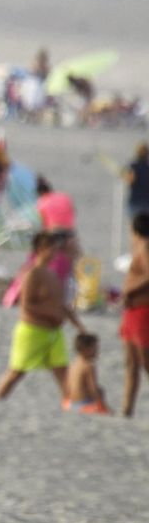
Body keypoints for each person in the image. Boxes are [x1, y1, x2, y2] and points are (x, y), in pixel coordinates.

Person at [0, 232, 90, 400]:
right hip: (32, 330)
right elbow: (26, 305)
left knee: (63, 372)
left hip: (54, 333)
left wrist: (80, 326)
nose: (54, 253)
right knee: (17, 372)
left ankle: (70, 405)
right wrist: (52, 313)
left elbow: (62, 304)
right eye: (51, 249)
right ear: (40, 249)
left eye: (55, 249)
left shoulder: (52, 274)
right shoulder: (32, 273)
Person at [120, 214, 149, 417]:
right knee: (130, 363)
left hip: (142, 310)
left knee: (145, 362)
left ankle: (127, 409)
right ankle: (126, 409)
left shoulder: (146, 246)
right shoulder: (139, 248)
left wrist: (129, 290)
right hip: (132, 311)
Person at [62, 333, 110, 415]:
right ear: (85, 349)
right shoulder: (88, 366)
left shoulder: (74, 363)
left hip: (68, 404)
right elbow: (93, 389)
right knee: (100, 391)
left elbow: (67, 386)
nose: (97, 351)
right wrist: (103, 406)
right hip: (83, 406)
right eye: (95, 348)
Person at [124, 143, 149, 222]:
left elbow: (130, 180)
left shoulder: (133, 166)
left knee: (136, 228)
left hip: (135, 202)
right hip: (146, 202)